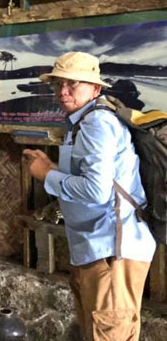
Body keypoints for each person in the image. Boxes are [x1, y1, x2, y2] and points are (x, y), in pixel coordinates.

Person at [23, 52, 156, 341]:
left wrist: (46, 176)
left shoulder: (97, 124)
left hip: (112, 250)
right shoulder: (83, 122)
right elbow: (96, 178)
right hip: (95, 247)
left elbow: (96, 191)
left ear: (95, 89)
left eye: (73, 84)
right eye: (58, 84)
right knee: (95, 331)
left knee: (110, 333)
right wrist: (52, 167)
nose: (63, 91)